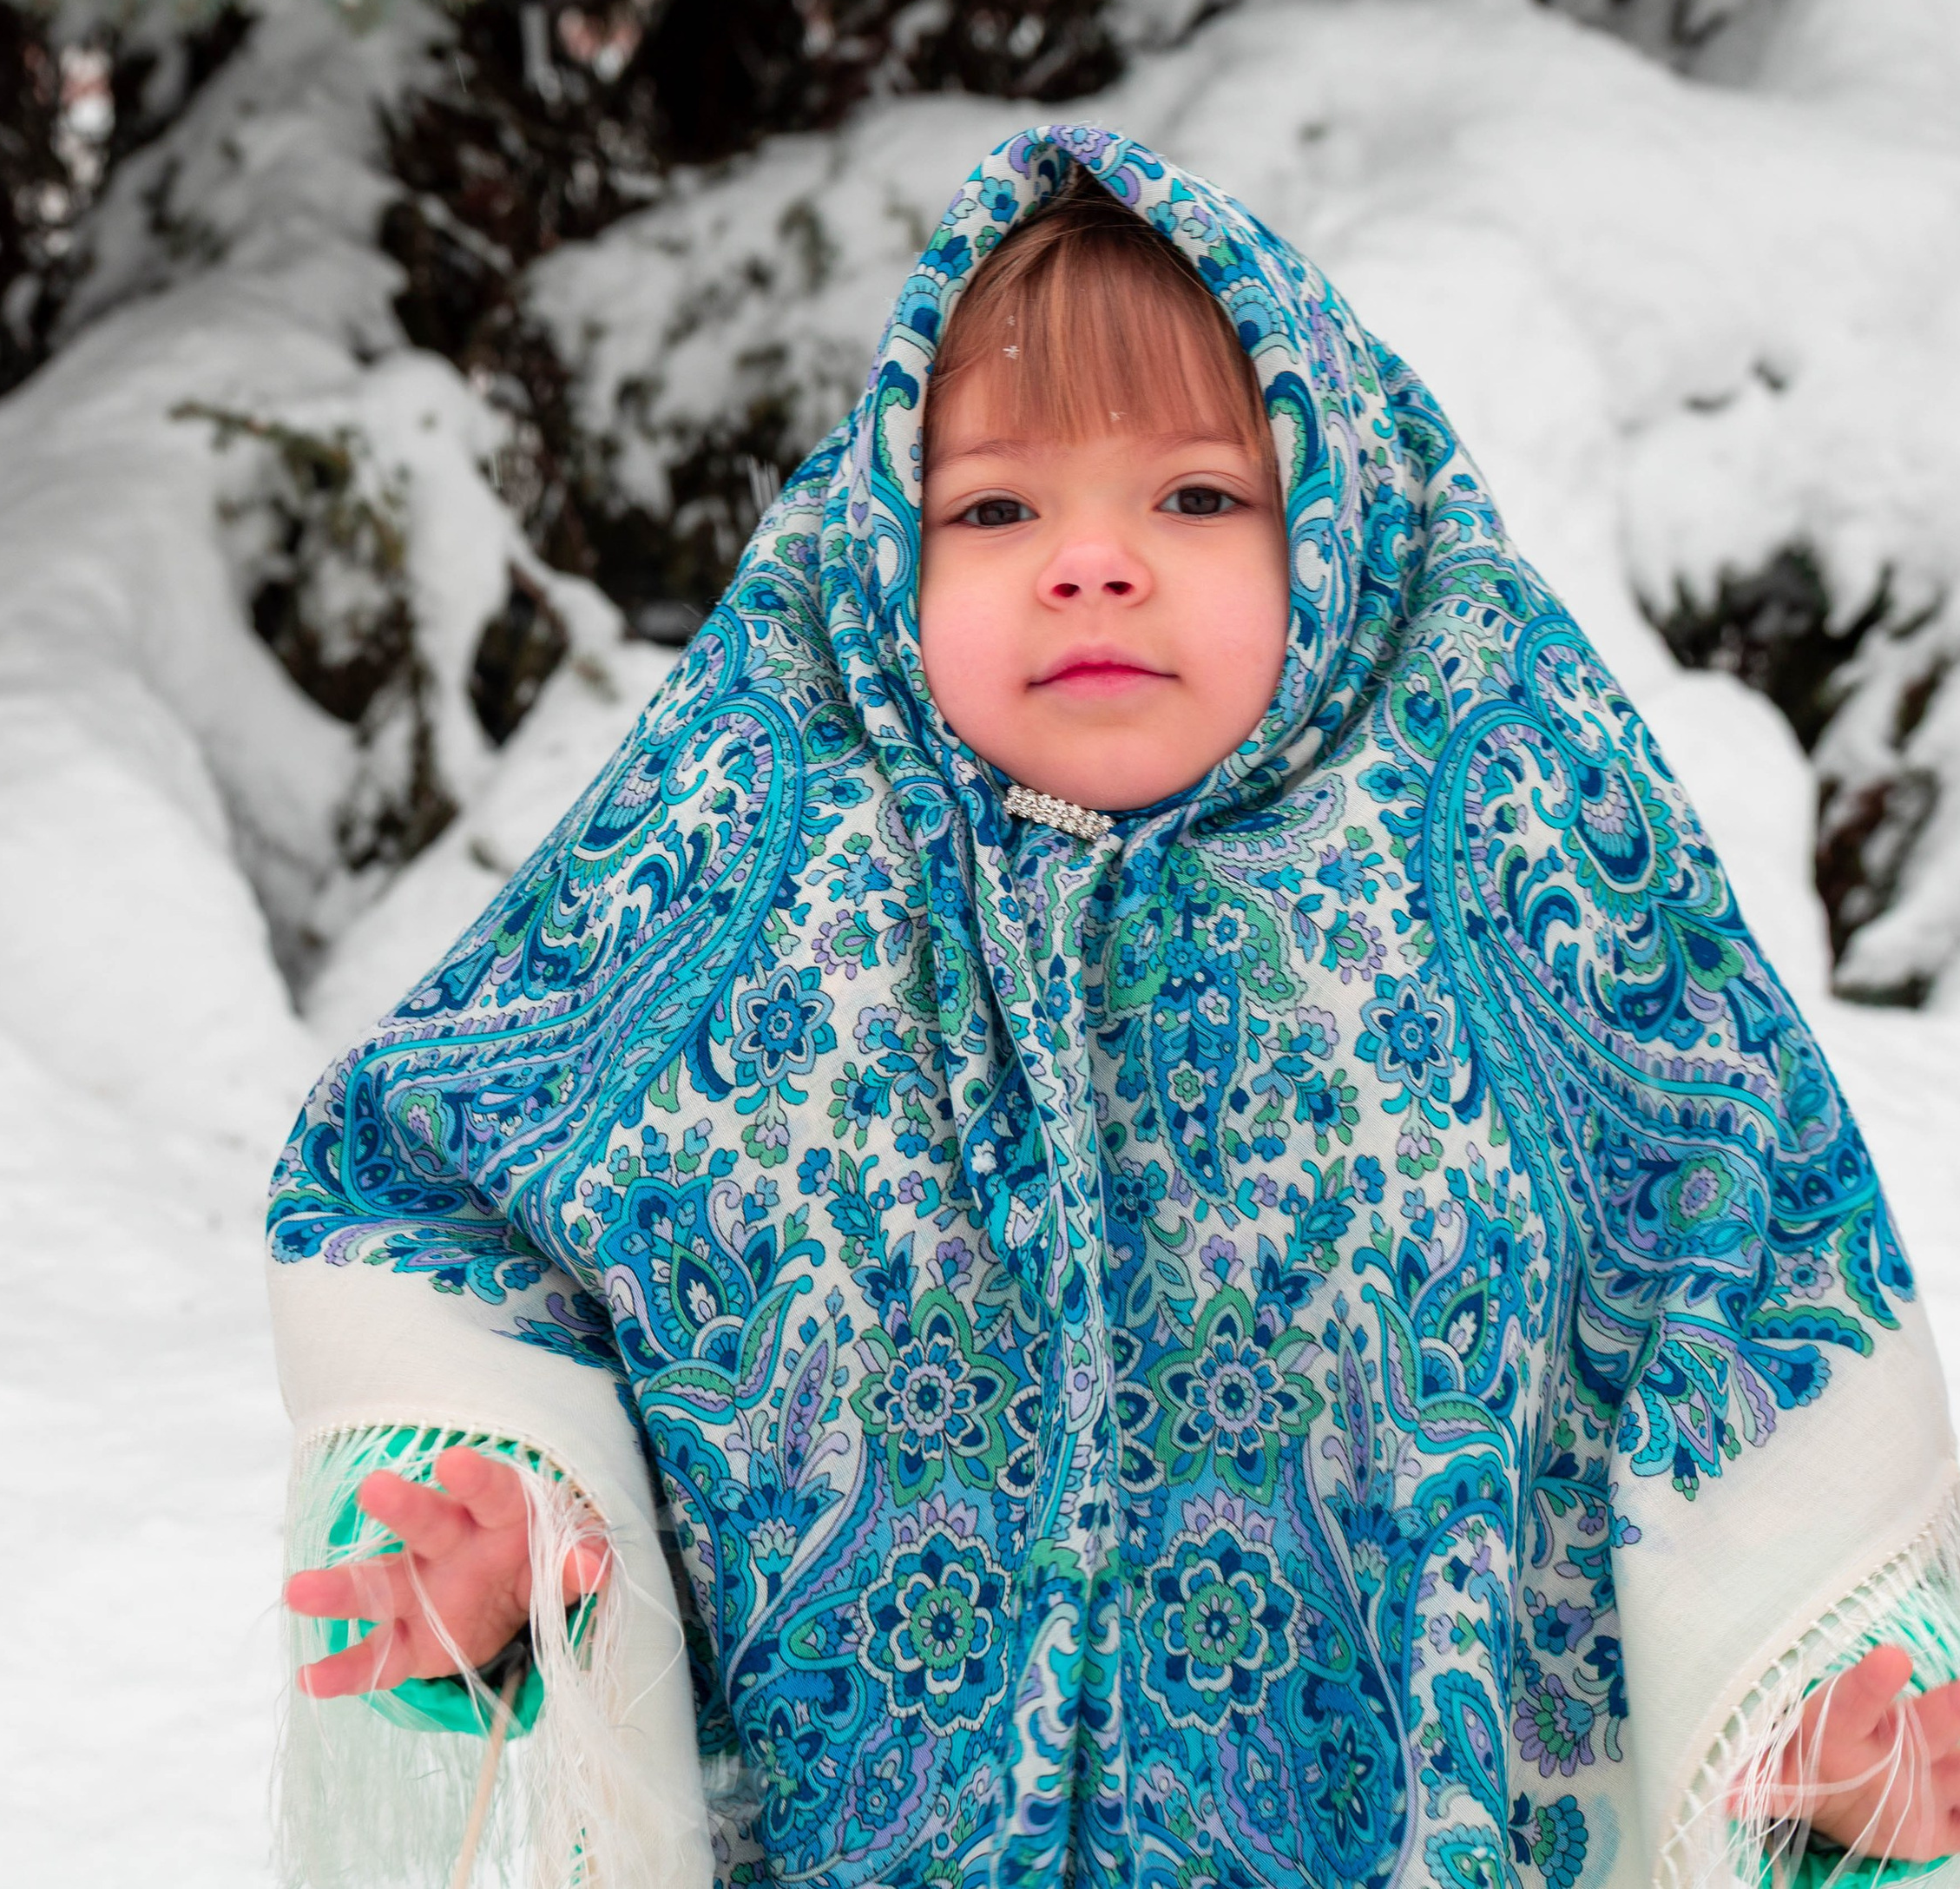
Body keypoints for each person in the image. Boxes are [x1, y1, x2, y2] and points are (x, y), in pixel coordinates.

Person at [267, 132, 1960, 1889]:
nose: (1090, 561)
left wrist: (1805, 1717)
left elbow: (1734, 1261)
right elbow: (442, 1185)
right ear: (879, 548)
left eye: (1196, 496)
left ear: (1336, 527)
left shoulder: (1501, 863)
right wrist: (519, 1538)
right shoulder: (748, 871)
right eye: (993, 507)